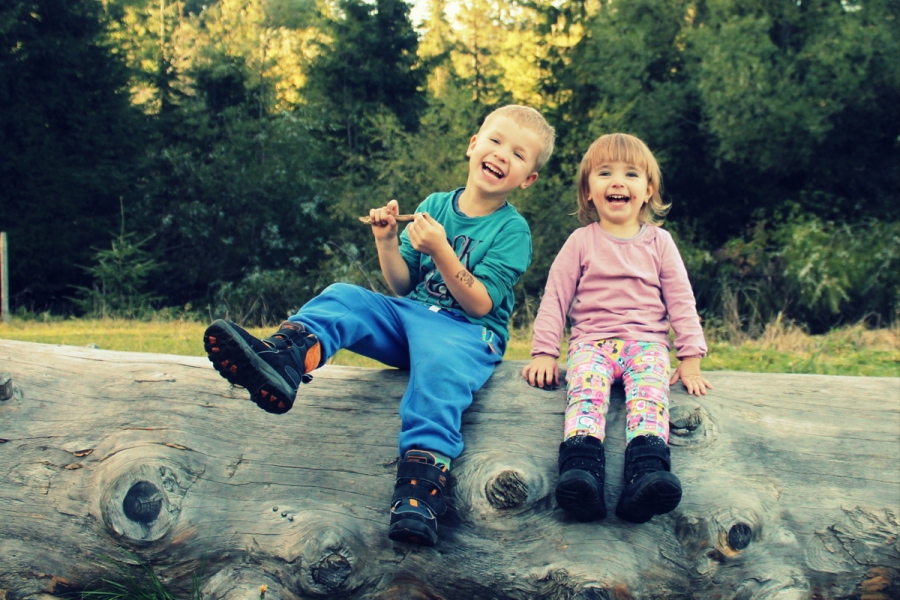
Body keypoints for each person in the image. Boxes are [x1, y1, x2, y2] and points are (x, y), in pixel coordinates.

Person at [203, 105, 556, 546]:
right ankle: (286, 359)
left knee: (440, 370)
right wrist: (387, 240)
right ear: (473, 145)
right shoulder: (433, 207)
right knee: (345, 297)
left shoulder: (512, 230)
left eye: (519, 154)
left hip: (466, 335)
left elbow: (481, 303)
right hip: (412, 318)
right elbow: (403, 284)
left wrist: (444, 251)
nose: (503, 154)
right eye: (496, 141)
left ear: (528, 179)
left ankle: (421, 485)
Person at [522, 133, 712, 524]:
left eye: (630, 174)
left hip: (646, 345)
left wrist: (690, 358)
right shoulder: (580, 242)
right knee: (585, 395)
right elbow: (555, 297)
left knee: (649, 398)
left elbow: (681, 300)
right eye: (604, 173)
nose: (617, 182)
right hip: (591, 344)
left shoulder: (660, 243)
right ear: (588, 191)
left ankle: (647, 476)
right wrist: (544, 352)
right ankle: (581, 476)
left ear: (648, 190)